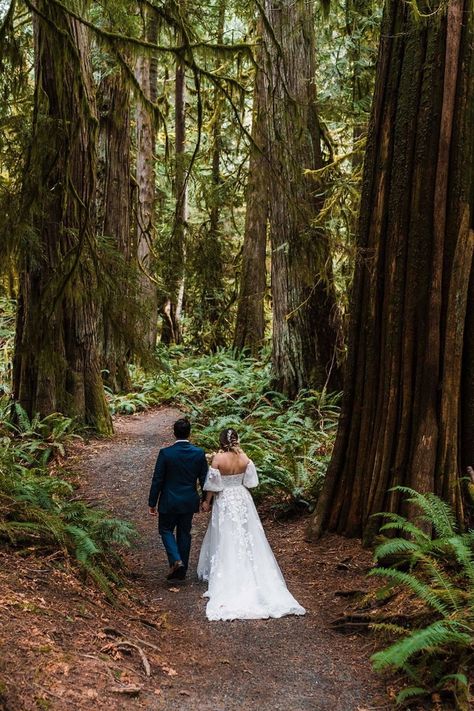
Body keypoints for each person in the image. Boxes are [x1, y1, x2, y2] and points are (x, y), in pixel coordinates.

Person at [197, 428, 306, 621]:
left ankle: (228, 571)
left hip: (225, 499)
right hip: (242, 497)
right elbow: (252, 482)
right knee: (247, 534)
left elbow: (213, 486)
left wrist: (206, 501)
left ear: (221, 442)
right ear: (236, 440)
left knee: (226, 534)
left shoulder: (218, 460)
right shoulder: (245, 458)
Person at [148, 418, 207, 581]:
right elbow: (204, 478)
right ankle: (182, 568)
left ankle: (176, 560)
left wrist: (152, 502)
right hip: (189, 500)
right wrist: (204, 499)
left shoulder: (166, 453)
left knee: (165, 530)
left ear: (174, 433)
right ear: (190, 433)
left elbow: (157, 479)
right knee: (184, 533)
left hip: (169, 500)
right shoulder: (199, 453)